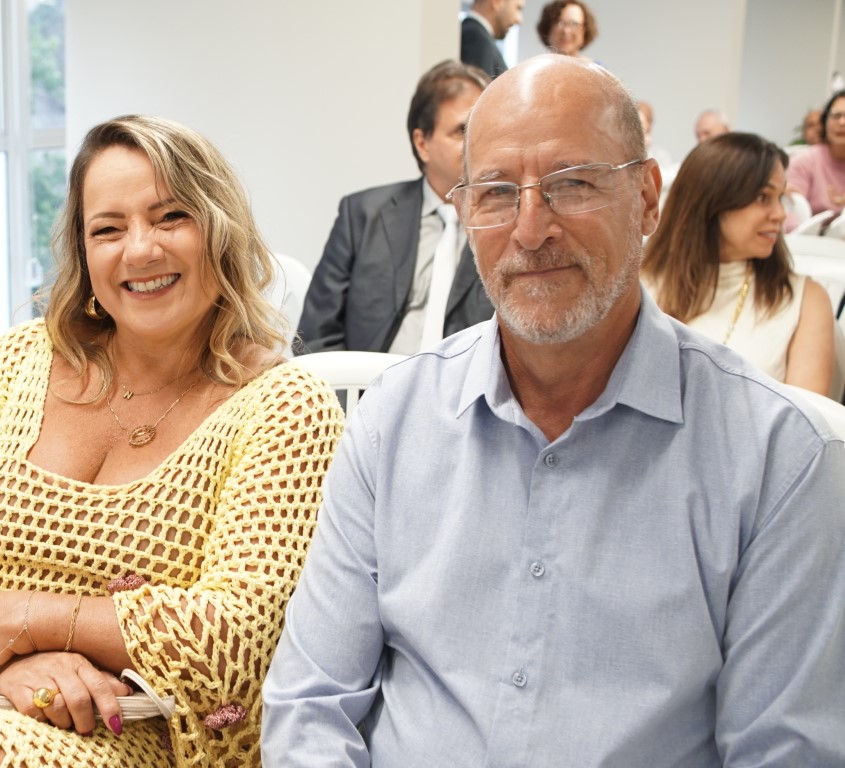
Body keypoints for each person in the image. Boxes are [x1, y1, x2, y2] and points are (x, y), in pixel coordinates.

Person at [263, 55, 845, 765]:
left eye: (572, 184)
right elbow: (311, 703)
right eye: (496, 193)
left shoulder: (778, 458)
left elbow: (781, 752)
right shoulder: (392, 421)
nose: (531, 229)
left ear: (648, 199)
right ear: (463, 211)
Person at [0, 115, 345, 767]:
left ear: (220, 228)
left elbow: (234, 632)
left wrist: (19, 619)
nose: (139, 250)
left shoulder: (287, 407)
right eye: (107, 229)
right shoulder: (20, 358)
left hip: (148, 736)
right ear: (83, 253)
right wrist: (11, 666)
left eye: (170, 217)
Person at [297, 60, 494, 354]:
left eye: (484, 129)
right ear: (422, 144)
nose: (476, 142)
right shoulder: (363, 215)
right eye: (462, 130)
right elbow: (315, 334)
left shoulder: (507, 221)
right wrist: (346, 384)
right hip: (365, 381)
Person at [643, 132, 836, 397]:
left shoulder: (804, 300)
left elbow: (807, 417)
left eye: (780, 197)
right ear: (712, 202)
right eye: (763, 197)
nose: (780, 214)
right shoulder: (639, 285)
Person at [787, 90, 845, 221]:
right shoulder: (803, 161)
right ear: (824, 122)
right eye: (836, 116)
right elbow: (790, 215)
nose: (842, 122)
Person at [460, 0, 524, 79]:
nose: (519, 20)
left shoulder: (477, 35)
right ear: (496, 2)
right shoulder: (477, 38)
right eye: (518, 8)